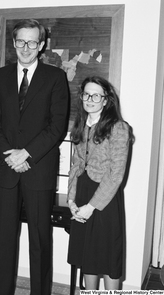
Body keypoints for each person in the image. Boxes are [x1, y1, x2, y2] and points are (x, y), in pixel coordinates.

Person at [0, 19, 70, 295]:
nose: (26, 47)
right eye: (21, 41)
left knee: (40, 240)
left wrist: (27, 154)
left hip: (39, 170)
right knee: (6, 239)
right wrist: (10, 155)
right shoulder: (0, 76)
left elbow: (57, 126)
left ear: (41, 45)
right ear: (13, 43)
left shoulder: (55, 78)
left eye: (32, 42)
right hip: (8, 169)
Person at [67, 76, 134, 290]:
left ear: (106, 100)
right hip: (82, 194)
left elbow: (116, 174)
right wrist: (71, 199)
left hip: (104, 199)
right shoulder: (80, 126)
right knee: (88, 256)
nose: (90, 99)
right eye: (86, 94)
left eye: (96, 95)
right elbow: (76, 165)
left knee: (107, 258)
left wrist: (91, 207)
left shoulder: (118, 128)